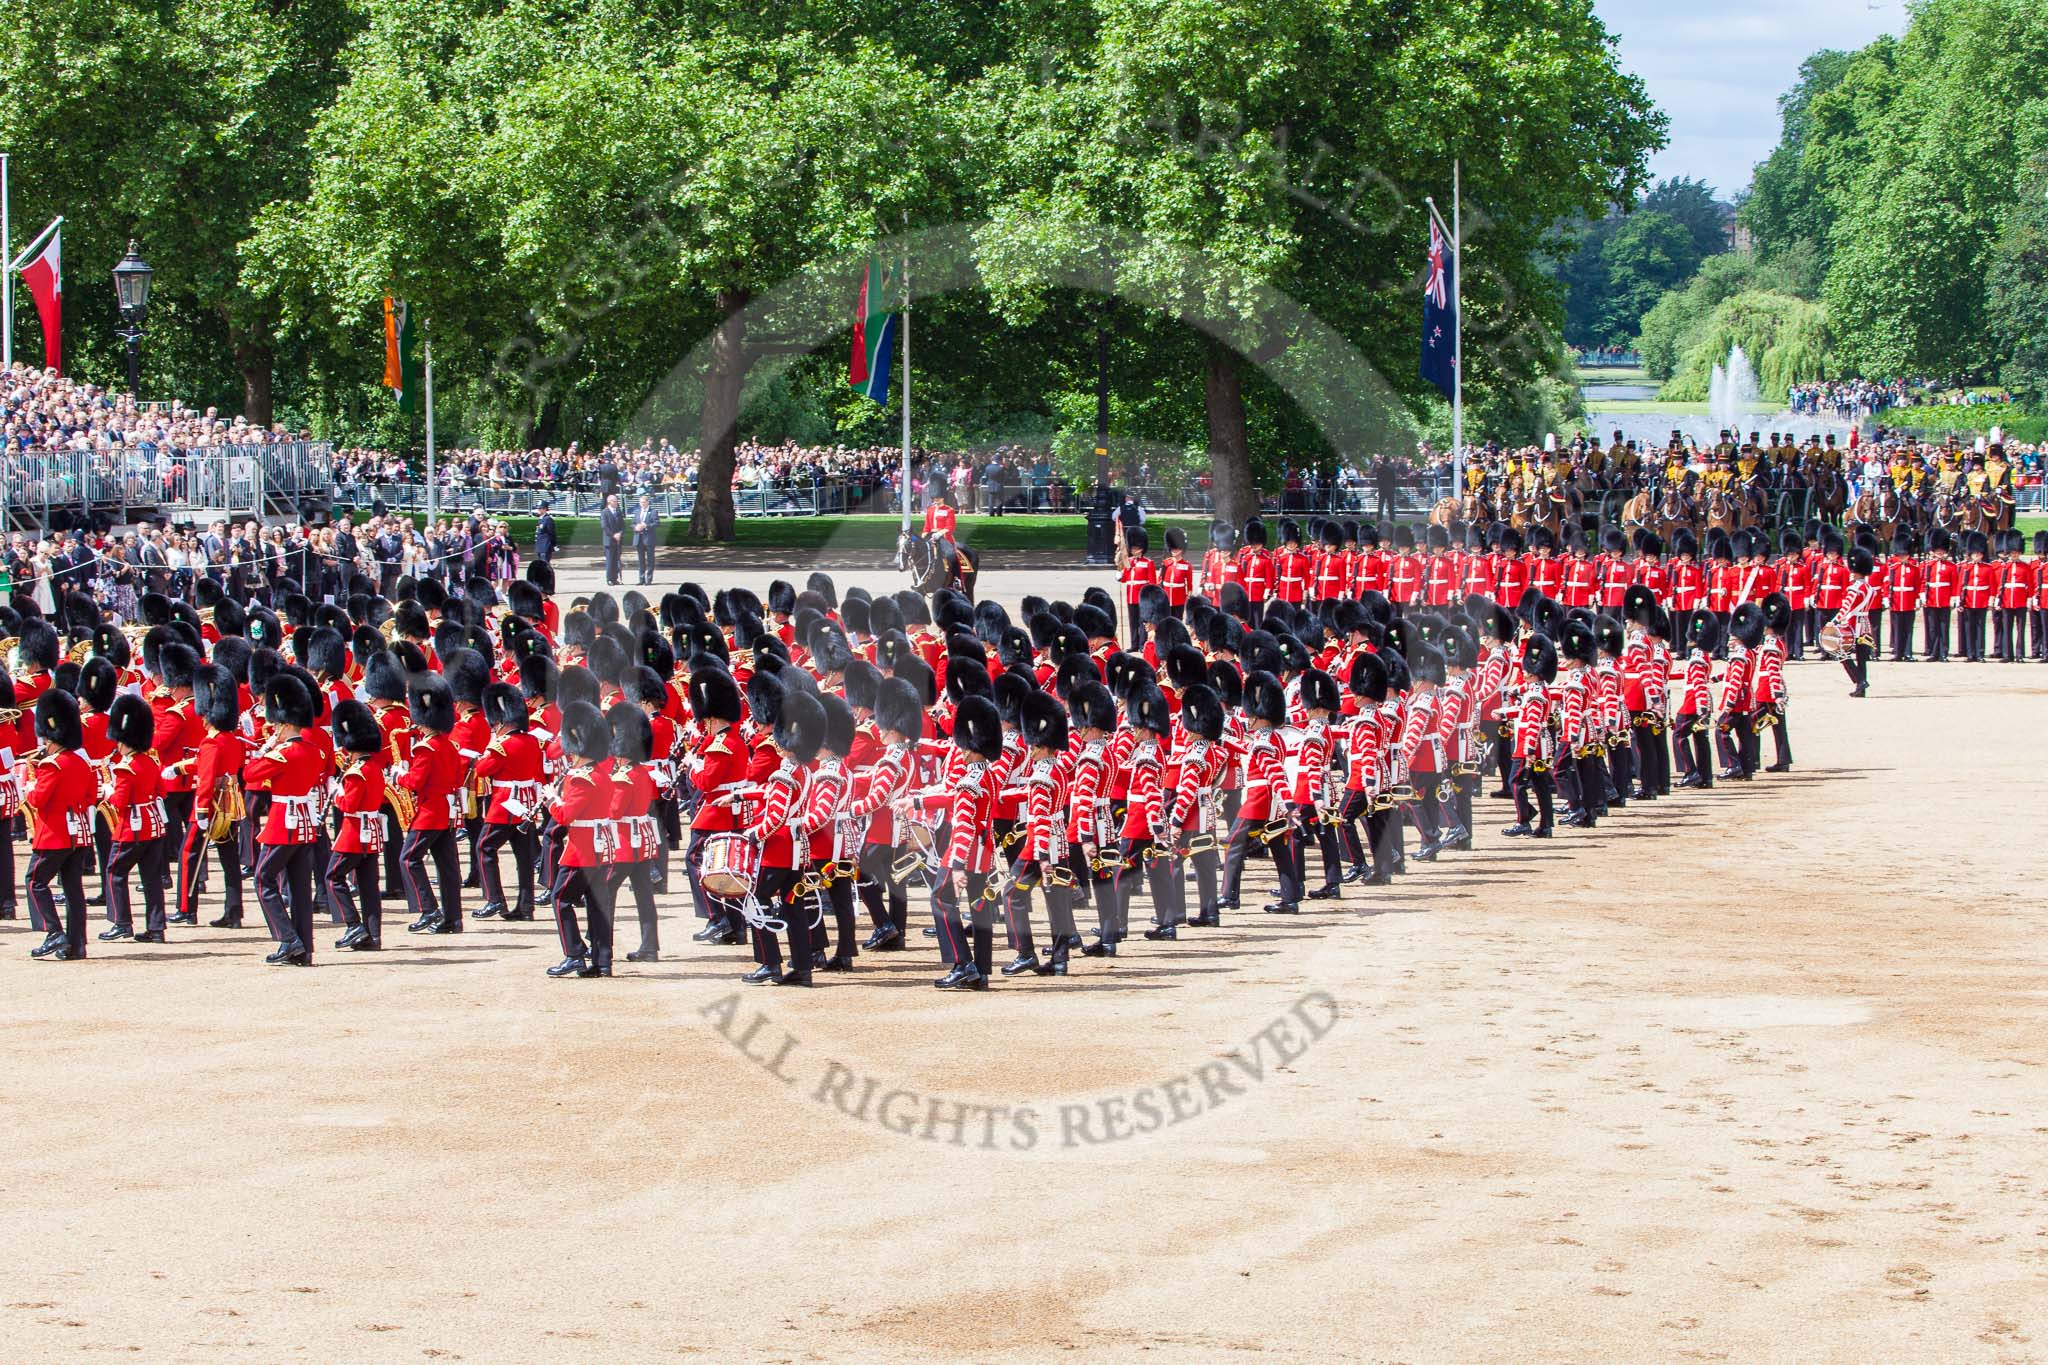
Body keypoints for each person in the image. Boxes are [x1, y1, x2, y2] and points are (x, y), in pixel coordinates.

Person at [243, 673, 325, 966]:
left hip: (283, 823)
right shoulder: (313, 751)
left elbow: (250, 775)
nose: (273, 728)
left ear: (287, 723)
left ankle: (288, 939)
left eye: (277, 724)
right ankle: (304, 948)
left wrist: (266, 748)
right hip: (304, 822)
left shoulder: (283, 754)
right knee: (301, 889)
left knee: (263, 878)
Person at [25, 691, 98, 960]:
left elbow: (37, 799)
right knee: (73, 889)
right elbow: (91, 796)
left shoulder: (52, 765)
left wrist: (29, 782)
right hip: (78, 834)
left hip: (54, 834)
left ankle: (53, 931)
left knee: (34, 881)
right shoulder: (81, 762)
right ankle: (76, 945)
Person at [96, 694, 169, 944]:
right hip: (153, 826)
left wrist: (107, 790)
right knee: (151, 878)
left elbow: (119, 801)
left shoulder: (124, 768)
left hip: (131, 828)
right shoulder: (149, 762)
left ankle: (121, 922)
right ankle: (156, 927)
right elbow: (162, 791)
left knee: (114, 871)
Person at [329, 700, 389, 950]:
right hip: (372, 832)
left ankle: (353, 925)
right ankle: (373, 936)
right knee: (368, 886)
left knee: (333, 877)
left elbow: (348, 805)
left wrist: (335, 791)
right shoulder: (374, 768)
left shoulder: (356, 772)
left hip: (354, 833)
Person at [633, 493, 658, 585]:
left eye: (643, 502)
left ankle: (649, 579)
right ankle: (641, 579)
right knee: (641, 560)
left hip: (649, 539)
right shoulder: (637, 512)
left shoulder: (653, 511)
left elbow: (656, 523)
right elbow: (633, 523)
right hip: (639, 539)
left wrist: (646, 526)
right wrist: (636, 527)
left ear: (648, 502)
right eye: (640, 502)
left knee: (650, 560)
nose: (642, 504)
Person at [600, 494, 624, 586]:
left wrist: (620, 533)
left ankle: (615, 578)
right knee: (610, 561)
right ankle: (609, 579)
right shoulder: (605, 512)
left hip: (618, 540)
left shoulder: (618, 511)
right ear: (609, 502)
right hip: (609, 540)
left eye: (616, 501)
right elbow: (604, 526)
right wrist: (613, 535)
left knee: (616, 560)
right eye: (614, 501)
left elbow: (622, 525)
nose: (616, 503)